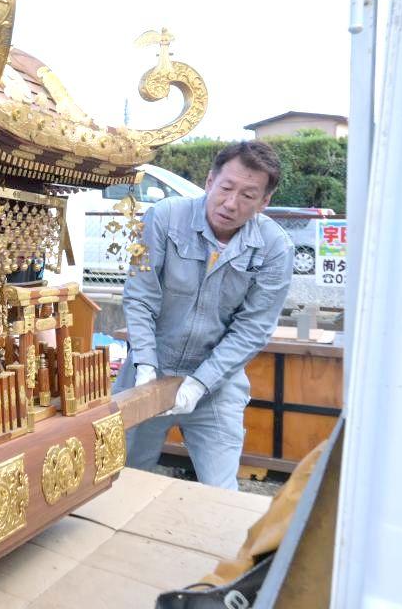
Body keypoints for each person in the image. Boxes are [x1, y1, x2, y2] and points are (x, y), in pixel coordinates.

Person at [113, 141, 294, 490]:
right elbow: (141, 295)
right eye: (226, 188)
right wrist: (146, 366)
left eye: (247, 195)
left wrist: (200, 382)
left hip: (216, 383)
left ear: (264, 202)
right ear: (210, 181)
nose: (231, 203)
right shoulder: (165, 217)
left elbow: (252, 329)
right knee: (124, 477)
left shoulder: (276, 247)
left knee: (221, 489)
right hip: (149, 372)